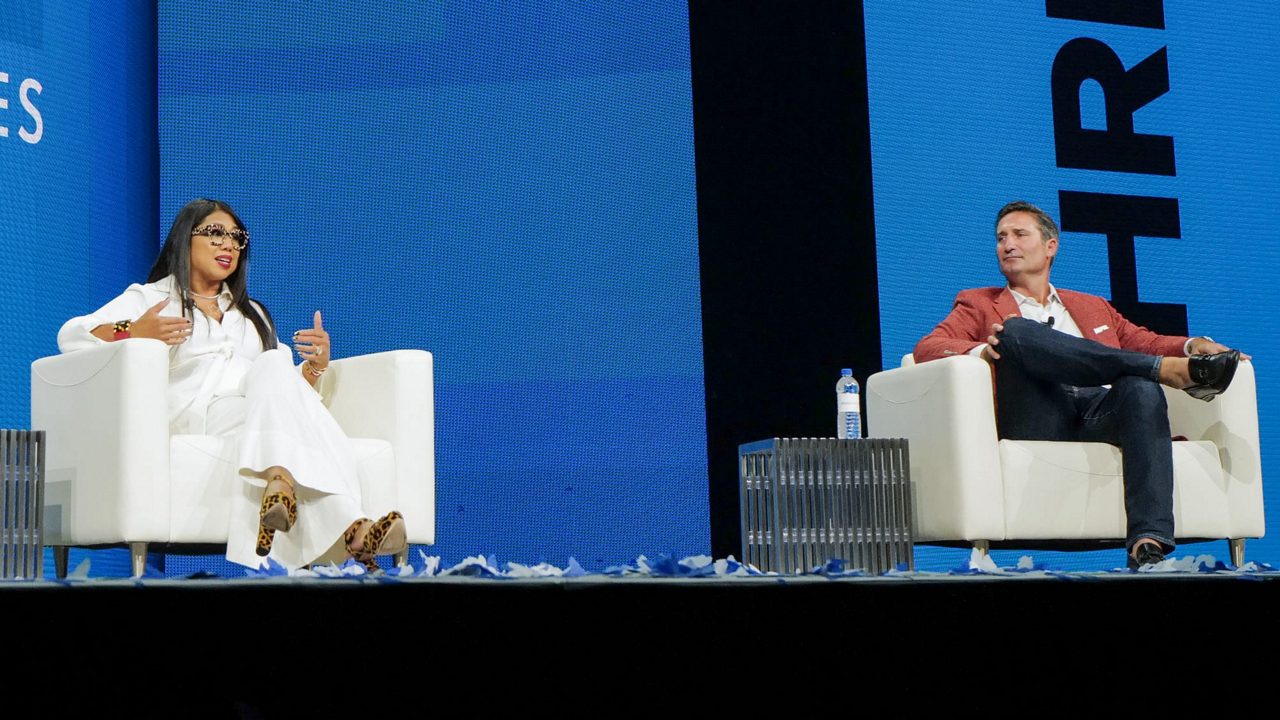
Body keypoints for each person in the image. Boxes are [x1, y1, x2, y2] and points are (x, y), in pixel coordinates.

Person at [58, 198, 406, 572]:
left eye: (237, 238)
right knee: (292, 414)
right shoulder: (151, 299)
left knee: (275, 362)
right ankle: (352, 527)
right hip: (193, 414)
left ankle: (285, 484)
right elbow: (72, 335)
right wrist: (133, 330)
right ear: (184, 240)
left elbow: (277, 391)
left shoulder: (250, 314)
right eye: (215, 234)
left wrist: (313, 371)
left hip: (249, 416)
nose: (229, 245)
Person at [914, 200, 1246, 570]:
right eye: (1000, 238)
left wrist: (1190, 346)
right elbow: (927, 347)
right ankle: (1162, 370)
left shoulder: (1091, 306)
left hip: (1096, 414)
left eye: (1019, 234)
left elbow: (1146, 340)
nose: (1007, 244)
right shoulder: (978, 303)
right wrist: (980, 350)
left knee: (1140, 388)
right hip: (1038, 414)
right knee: (1015, 330)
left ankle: (1148, 541)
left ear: (1051, 245)